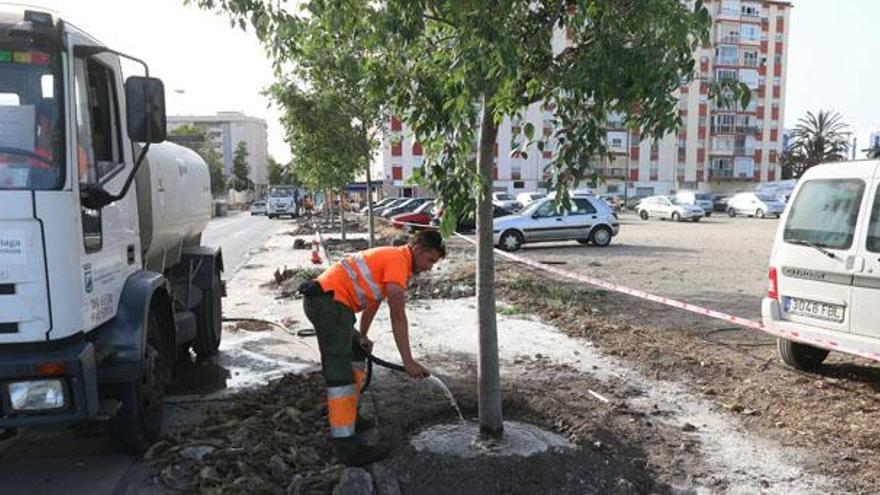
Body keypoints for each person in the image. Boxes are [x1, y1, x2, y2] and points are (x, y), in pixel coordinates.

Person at [300, 230, 446, 466]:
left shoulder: (392, 260)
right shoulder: (398, 261)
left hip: (332, 304)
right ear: (418, 249)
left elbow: (373, 302)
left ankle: (350, 416)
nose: (430, 267)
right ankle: (347, 448)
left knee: (357, 351)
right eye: (430, 259)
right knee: (341, 379)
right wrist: (408, 362)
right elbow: (398, 315)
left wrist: (363, 337)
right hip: (329, 305)